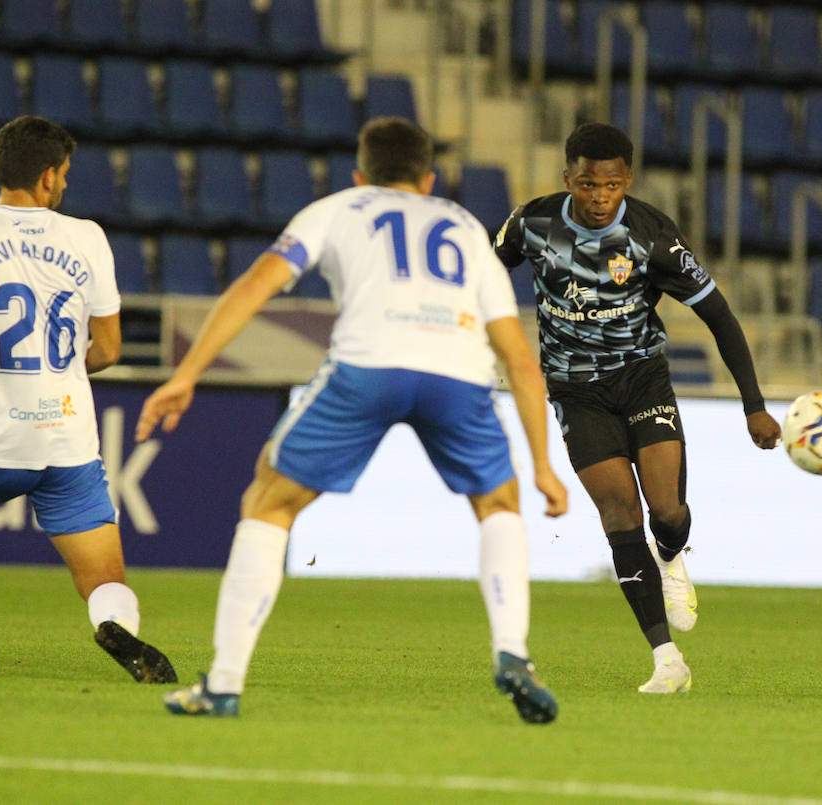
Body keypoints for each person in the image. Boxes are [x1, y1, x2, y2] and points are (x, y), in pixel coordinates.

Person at [137, 117, 568, 723]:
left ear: (361, 174)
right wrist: (544, 466)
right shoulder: (466, 226)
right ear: (430, 177)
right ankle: (513, 654)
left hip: (369, 366)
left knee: (269, 499)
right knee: (499, 504)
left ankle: (224, 684)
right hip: (458, 372)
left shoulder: (337, 209)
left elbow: (256, 286)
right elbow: (521, 359)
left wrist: (185, 375)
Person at [494, 123, 781, 694]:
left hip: (642, 380)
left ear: (628, 180)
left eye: (612, 185)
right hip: (575, 389)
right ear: (567, 178)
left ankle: (672, 558)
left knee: (666, 510)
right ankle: (667, 660)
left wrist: (754, 405)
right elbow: (478, 272)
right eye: (587, 184)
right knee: (620, 514)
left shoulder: (653, 236)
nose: (600, 197)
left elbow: (719, 316)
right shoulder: (532, 224)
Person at [0, 115, 176, 683]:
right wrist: (61, 374)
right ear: (48, 178)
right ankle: (113, 626)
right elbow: (109, 349)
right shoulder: (88, 237)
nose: (65, 185)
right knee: (103, 579)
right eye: (65, 174)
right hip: (72, 442)